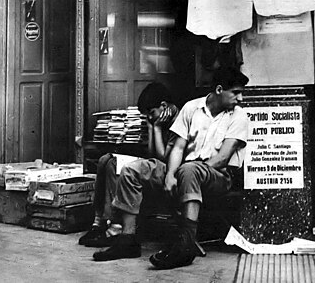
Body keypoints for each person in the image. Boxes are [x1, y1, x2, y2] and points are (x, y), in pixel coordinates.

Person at [92, 67, 249, 270]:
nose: (241, 98)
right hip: (184, 168)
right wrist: (170, 175)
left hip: (217, 175)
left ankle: (186, 245)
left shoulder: (239, 117)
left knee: (190, 170)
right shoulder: (192, 108)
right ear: (219, 90)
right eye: (236, 93)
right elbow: (179, 147)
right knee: (132, 170)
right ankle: (127, 239)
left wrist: (184, 174)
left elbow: (222, 158)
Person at [79, 82, 178, 248]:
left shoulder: (178, 120)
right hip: (154, 164)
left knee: (120, 167)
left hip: (169, 169)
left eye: (151, 113)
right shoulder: (159, 118)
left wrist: (158, 128)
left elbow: (162, 157)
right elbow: (151, 152)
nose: (150, 117)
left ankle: (115, 227)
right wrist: (151, 126)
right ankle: (99, 223)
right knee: (107, 160)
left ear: (163, 105)